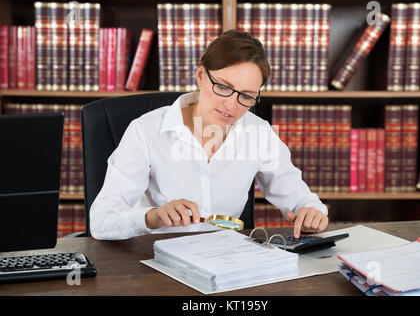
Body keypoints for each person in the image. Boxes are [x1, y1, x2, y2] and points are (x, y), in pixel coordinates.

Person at [90, 29, 329, 240]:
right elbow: (102, 221)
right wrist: (152, 217)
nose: (231, 105)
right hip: (155, 261)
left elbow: (300, 199)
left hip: (226, 262)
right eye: (223, 87)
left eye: (246, 96)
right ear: (201, 75)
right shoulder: (146, 130)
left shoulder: (259, 133)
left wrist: (311, 213)